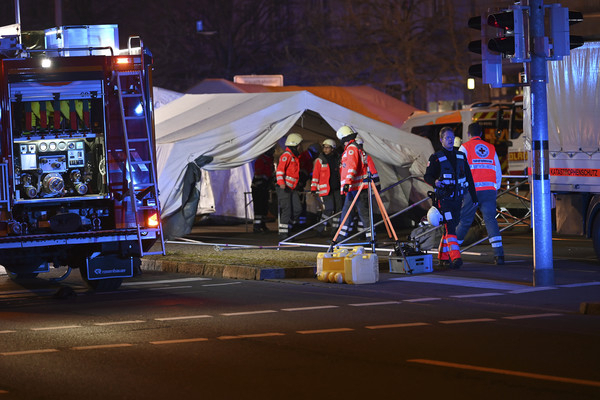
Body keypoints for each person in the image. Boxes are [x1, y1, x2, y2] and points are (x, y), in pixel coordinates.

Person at [424, 126, 478, 269]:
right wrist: (434, 182)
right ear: (441, 140)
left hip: (458, 199)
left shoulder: (460, 156)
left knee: (449, 228)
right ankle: (456, 258)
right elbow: (427, 176)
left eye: (452, 137)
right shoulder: (436, 158)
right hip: (444, 199)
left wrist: (474, 196)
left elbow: (469, 178)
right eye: (447, 137)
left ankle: (443, 257)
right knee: (450, 228)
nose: (450, 140)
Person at [456, 122, 505, 264]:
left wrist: (461, 188)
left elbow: (460, 170)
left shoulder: (465, 147)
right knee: (490, 220)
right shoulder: (490, 148)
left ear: (468, 134)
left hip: (472, 191)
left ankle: (451, 251)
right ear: (481, 134)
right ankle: (499, 255)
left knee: (465, 221)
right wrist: (495, 187)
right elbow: (498, 171)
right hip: (489, 190)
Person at [336, 125, 371, 241]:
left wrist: (347, 182)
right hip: (354, 187)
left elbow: (351, 167)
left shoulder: (351, 149)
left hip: (356, 186)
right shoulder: (353, 148)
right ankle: (341, 235)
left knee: (363, 213)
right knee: (347, 211)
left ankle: (370, 237)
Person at [310, 138, 342, 235]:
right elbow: (315, 175)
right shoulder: (320, 160)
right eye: (324, 147)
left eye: (328, 148)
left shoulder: (338, 158)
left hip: (337, 188)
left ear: (333, 148)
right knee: (329, 209)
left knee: (338, 210)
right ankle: (319, 229)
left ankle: (335, 230)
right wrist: (313, 189)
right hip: (326, 189)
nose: (325, 149)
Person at [275, 133, 303, 240]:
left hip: (291, 188)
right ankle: (283, 234)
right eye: (299, 145)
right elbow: (279, 171)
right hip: (284, 188)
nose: (300, 147)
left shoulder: (294, 157)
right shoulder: (286, 156)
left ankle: (288, 228)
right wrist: (282, 183)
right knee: (287, 210)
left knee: (297, 209)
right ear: (295, 144)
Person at [251, 147, 275, 233]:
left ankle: (263, 225)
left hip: (265, 186)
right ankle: (256, 226)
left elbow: (270, 172)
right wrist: (267, 179)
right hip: (258, 187)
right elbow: (259, 174)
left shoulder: (269, 160)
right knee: (259, 207)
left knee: (264, 207)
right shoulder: (261, 160)